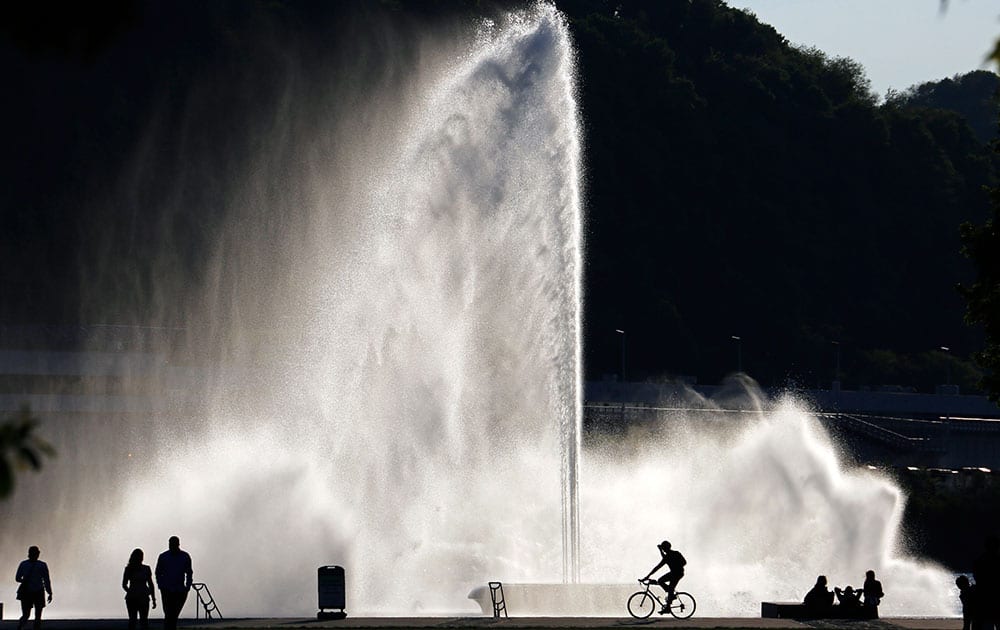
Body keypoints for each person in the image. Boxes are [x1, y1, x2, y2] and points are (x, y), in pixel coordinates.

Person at [154, 536, 193, 630]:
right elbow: (158, 572)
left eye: (173, 544)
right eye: (170, 544)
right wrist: (161, 585)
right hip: (167, 589)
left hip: (179, 589)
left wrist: (187, 586)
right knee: (169, 614)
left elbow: (189, 572)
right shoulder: (164, 556)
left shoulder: (185, 556)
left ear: (178, 544)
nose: (171, 546)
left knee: (173, 614)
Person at [642, 540, 686, 615]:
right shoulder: (670, 555)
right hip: (676, 573)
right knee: (663, 583)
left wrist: (647, 577)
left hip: (677, 573)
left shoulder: (672, 555)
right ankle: (670, 597)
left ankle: (669, 600)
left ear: (665, 548)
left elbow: (684, 562)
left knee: (665, 584)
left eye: (663, 548)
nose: (663, 550)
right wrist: (647, 576)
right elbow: (657, 567)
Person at [14, 546, 52, 630]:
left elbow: (17, 578)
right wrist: (49, 592)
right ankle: (36, 628)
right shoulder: (42, 565)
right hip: (39, 591)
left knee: (26, 614)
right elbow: (46, 580)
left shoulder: (23, 564)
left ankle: (20, 627)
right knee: (38, 615)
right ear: (38, 554)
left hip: (26, 592)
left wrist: (25, 581)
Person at [122, 548, 157, 630]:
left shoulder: (131, 569)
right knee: (140, 621)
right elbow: (151, 584)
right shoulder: (133, 569)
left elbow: (124, 584)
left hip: (137, 597)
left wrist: (130, 591)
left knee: (135, 620)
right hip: (139, 596)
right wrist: (153, 598)